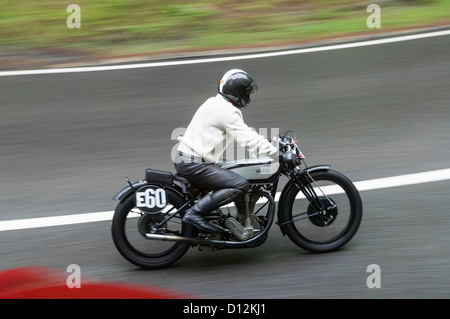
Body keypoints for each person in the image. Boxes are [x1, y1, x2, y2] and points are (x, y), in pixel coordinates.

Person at [174, 69, 277, 234]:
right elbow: (246, 138)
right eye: (246, 92)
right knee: (240, 184)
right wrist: (275, 153)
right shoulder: (227, 111)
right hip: (194, 164)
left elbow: (238, 136)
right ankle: (194, 213)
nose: (248, 96)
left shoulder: (215, 103)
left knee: (232, 170)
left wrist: (267, 143)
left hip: (187, 160)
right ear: (238, 93)